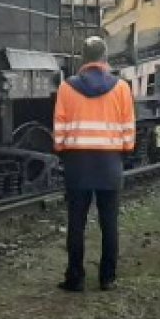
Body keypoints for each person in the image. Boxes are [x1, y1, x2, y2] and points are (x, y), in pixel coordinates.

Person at [53, 37, 135, 292]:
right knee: (109, 223)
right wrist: (122, 151)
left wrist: (63, 150)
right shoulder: (121, 88)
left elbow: (59, 130)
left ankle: (75, 278)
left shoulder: (67, 88)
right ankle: (107, 278)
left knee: (76, 223)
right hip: (109, 163)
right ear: (105, 57)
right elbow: (128, 130)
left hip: (78, 164)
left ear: (83, 58)